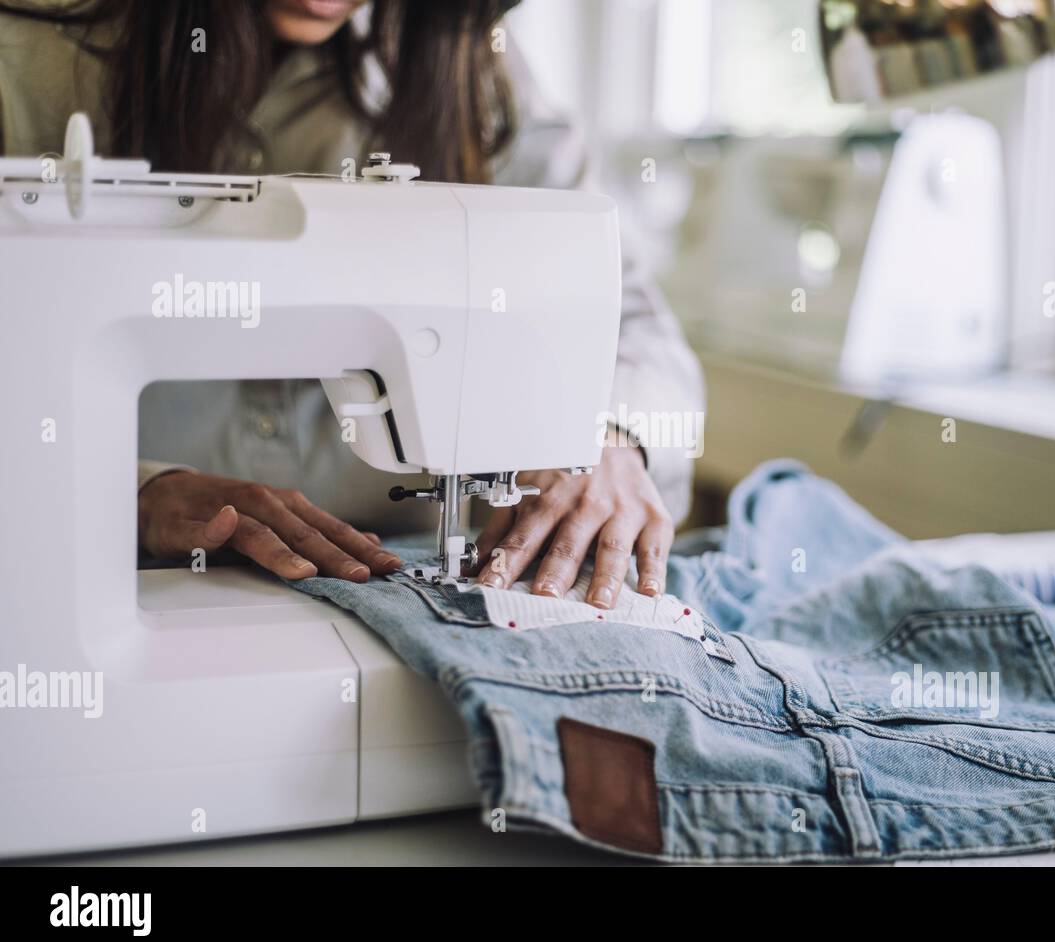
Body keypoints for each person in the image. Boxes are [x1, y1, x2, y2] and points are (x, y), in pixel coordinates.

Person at [0, 0, 705, 608]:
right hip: (102, 563)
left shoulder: (463, 58)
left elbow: (631, 323)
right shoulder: (31, 64)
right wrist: (129, 494)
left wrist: (606, 435)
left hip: (387, 556)